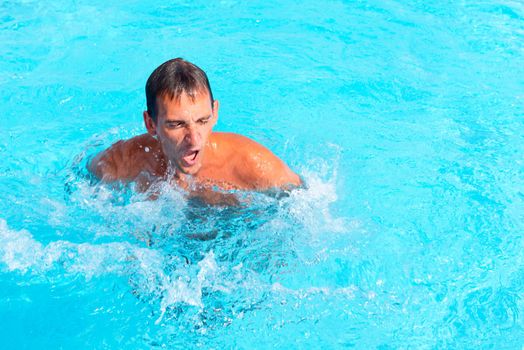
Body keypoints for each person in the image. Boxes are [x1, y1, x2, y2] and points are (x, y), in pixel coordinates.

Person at [88, 58, 301, 201]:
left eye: (202, 120)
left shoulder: (251, 164)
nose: (194, 139)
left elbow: (305, 202)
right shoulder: (124, 161)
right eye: (177, 124)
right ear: (151, 123)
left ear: (215, 113)